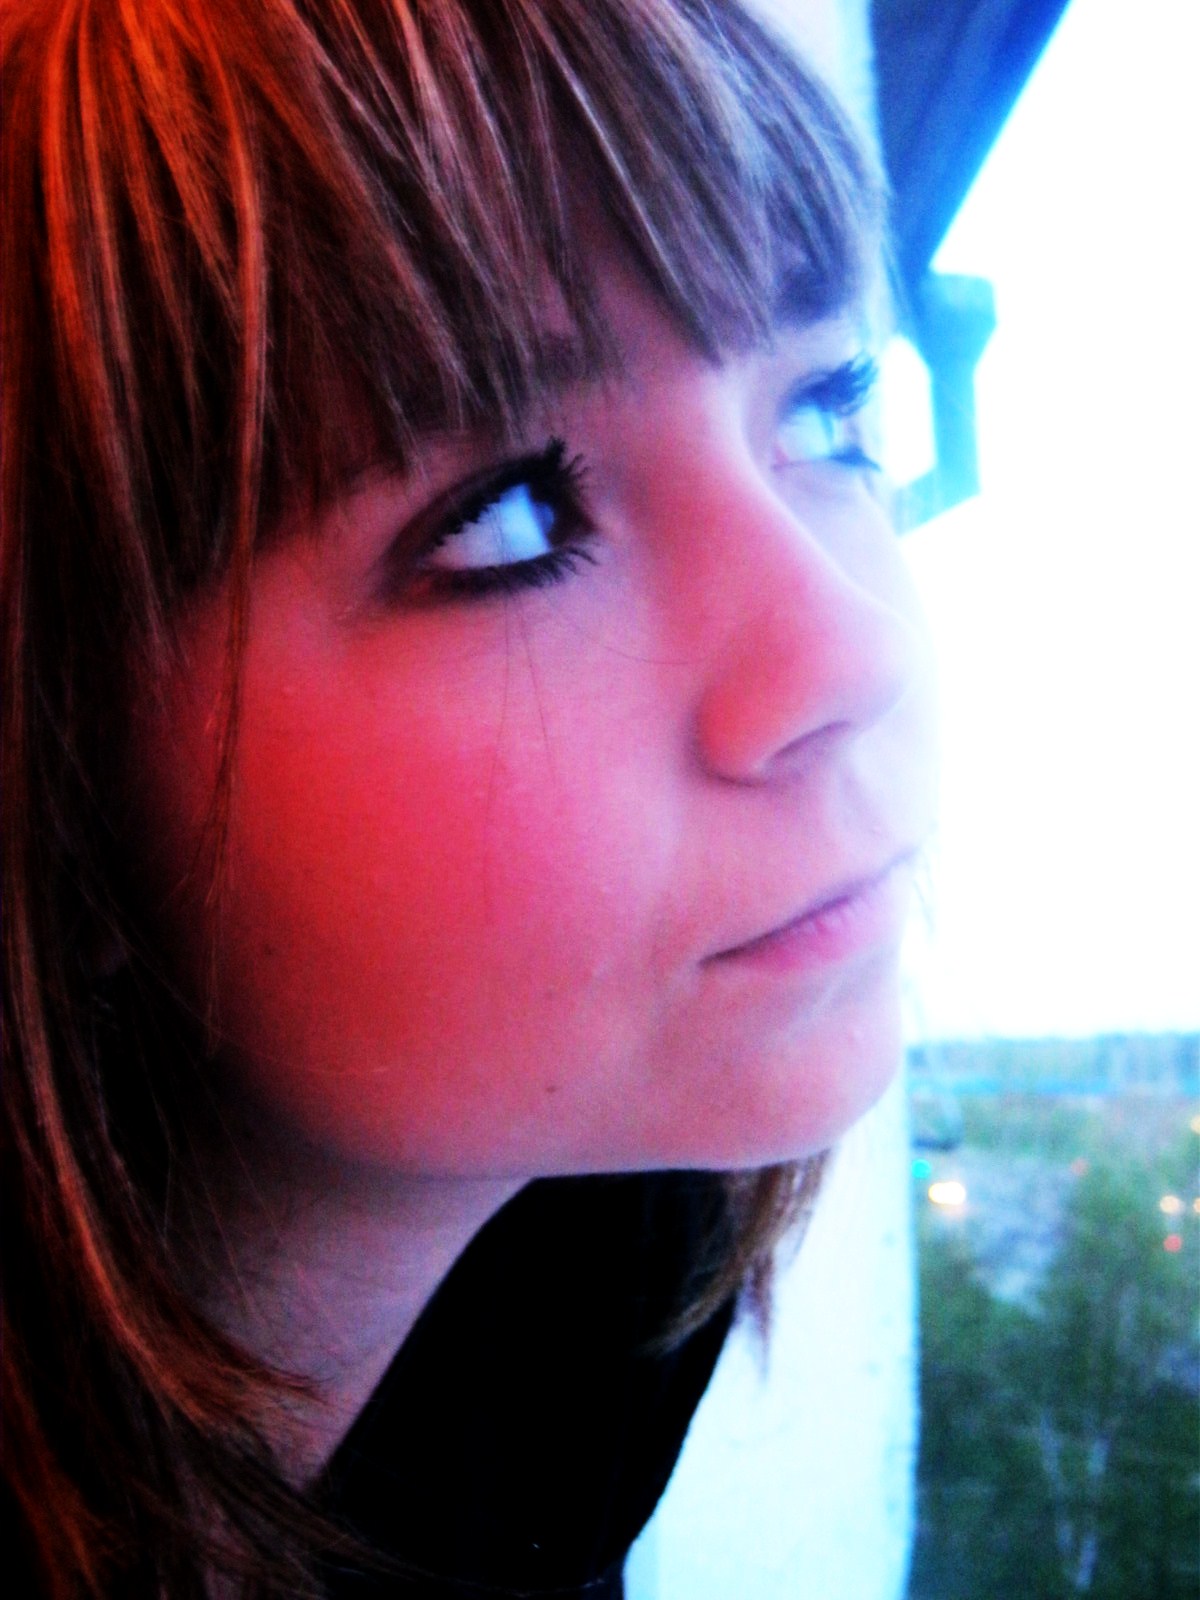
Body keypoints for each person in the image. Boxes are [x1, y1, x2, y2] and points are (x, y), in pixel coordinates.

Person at [1, 0, 938, 1594]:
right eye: (510, 519)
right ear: (61, 780)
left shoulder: (604, 1277)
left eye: (826, 411)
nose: (850, 650)